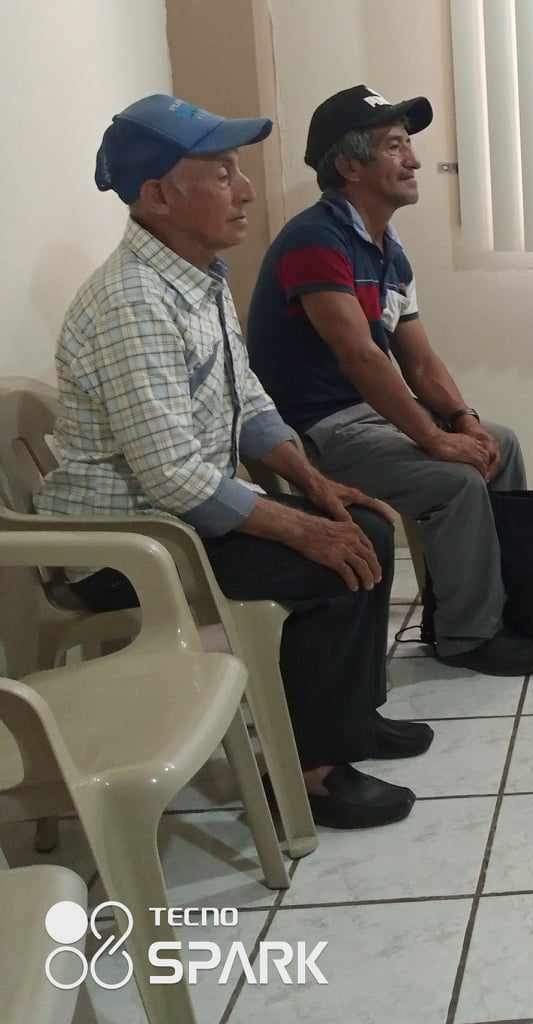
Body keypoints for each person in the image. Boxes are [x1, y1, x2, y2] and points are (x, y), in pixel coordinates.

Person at [35, 94, 427, 829]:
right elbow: (171, 474)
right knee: (327, 561)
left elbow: (246, 401)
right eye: (221, 174)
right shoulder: (135, 301)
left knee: (363, 526)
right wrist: (304, 528)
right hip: (128, 547)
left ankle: (349, 722)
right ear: (158, 196)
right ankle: (308, 774)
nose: (245, 190)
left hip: (175, 519)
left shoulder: (197, 278)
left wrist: (316, 486)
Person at [245, 86, 533, 677]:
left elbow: (419, 361)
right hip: (315, 432)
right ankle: (466, 635)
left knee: (498, 444)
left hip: (365, 417)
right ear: (350, 166)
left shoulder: (388, 252)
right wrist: (434, 439)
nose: (414, 161)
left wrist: (463, 420)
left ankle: (516, 602)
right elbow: (360, 357)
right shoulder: (315, 242)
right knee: (453, 480)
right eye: (395, 147)